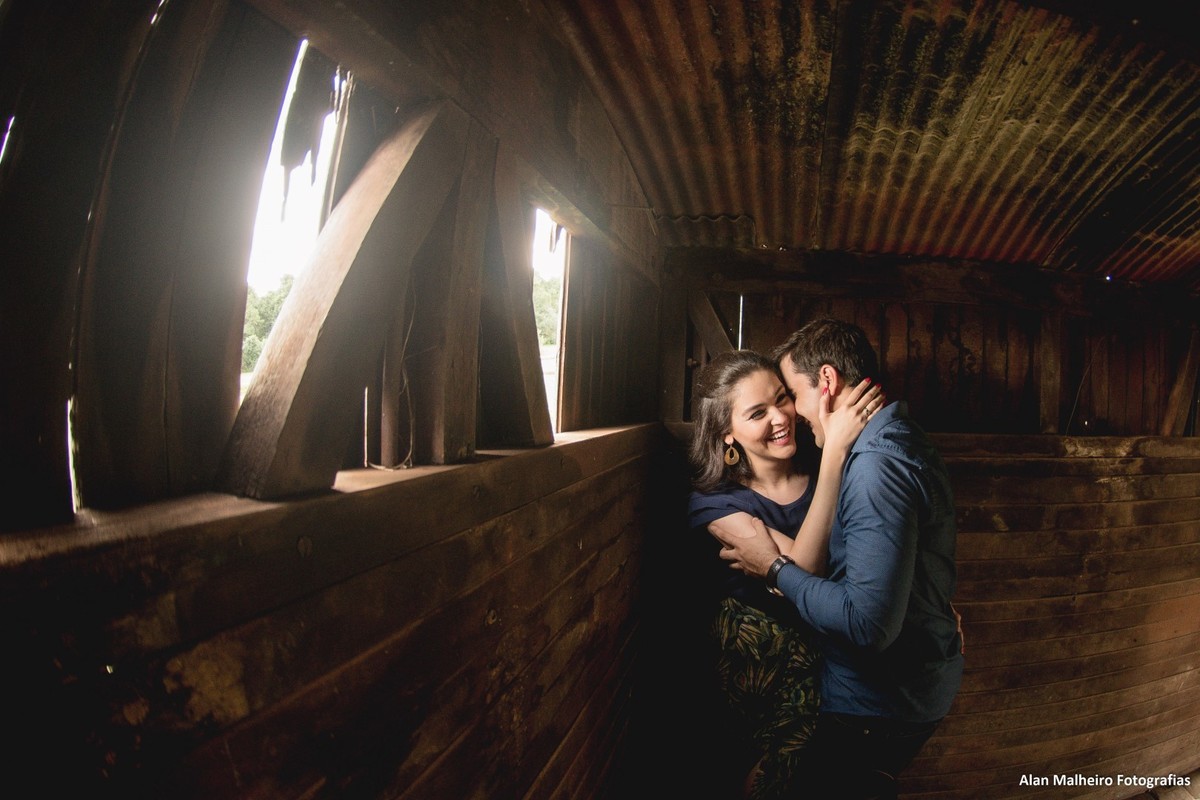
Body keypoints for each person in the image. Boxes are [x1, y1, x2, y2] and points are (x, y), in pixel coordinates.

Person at [715, 318, 964, 799]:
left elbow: (867, 625)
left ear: (826, 382)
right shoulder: (895, 441)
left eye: (791, 393)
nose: (791, 414)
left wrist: (774, 568)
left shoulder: (875, 466)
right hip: (900, 690)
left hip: (876, 705)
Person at [687, 349, 884, 799]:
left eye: (782, 399)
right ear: (726, 434)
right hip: (762, 671)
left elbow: (877, 548)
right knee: (774, 774)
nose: (780, 418)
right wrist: (835, 453)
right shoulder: (715, 504)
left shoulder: (823, 472)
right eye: (758, 413)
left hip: (837, 652)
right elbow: (806, 572)